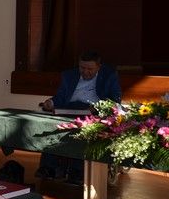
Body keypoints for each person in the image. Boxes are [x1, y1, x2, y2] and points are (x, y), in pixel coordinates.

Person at [36, 51, 122, 183]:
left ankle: (78, 170)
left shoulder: (109, 75)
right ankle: (48, 167)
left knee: (83, 130)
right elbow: (60, 97)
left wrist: (98, 107)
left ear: (98, 67)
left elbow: (115, 100)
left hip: (93, 112)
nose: (85, 72)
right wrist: (50, 103)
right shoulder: (69, 75)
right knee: (52, 128)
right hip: (69, 109)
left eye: (90, 69)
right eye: (82, 68)